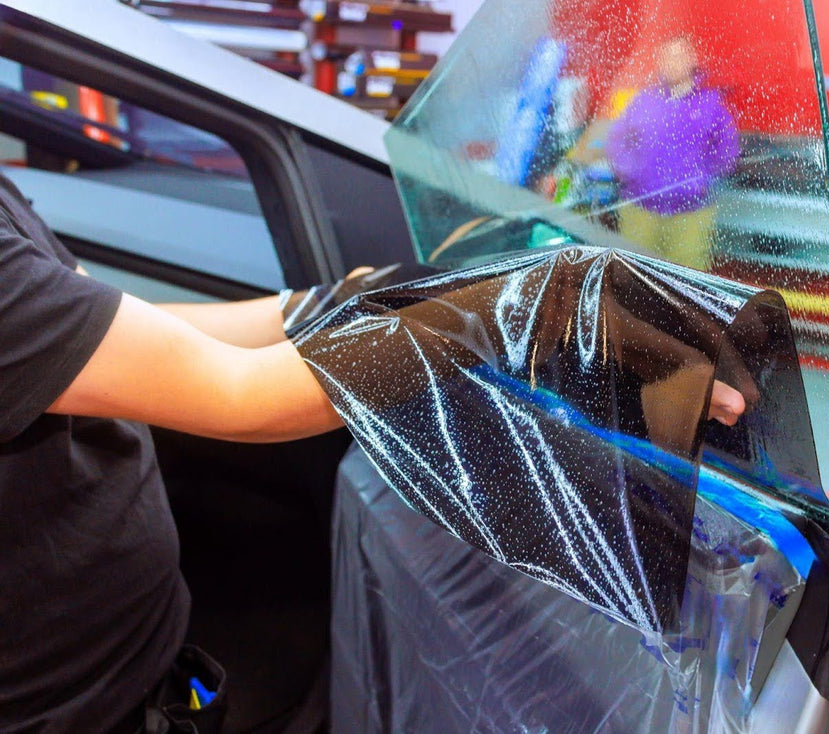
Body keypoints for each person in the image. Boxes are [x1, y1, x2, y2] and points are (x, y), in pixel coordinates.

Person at [0, 169, 748, 732]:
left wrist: (338, 302)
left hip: (144, 662)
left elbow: (115, 333)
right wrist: (533, 306)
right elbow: (236, 393)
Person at [606, 34, 740, 271]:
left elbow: (727, 150)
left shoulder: (710, 104)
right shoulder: (643, 100)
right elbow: (617, 140)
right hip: (640, 211)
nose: (673, 62)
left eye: (679, 55)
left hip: (691, 216)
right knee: (633, 281)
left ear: (692, 59)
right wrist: (631, 172)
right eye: (667, 56)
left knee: (687, 287)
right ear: (660, 62)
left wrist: (702, 181)